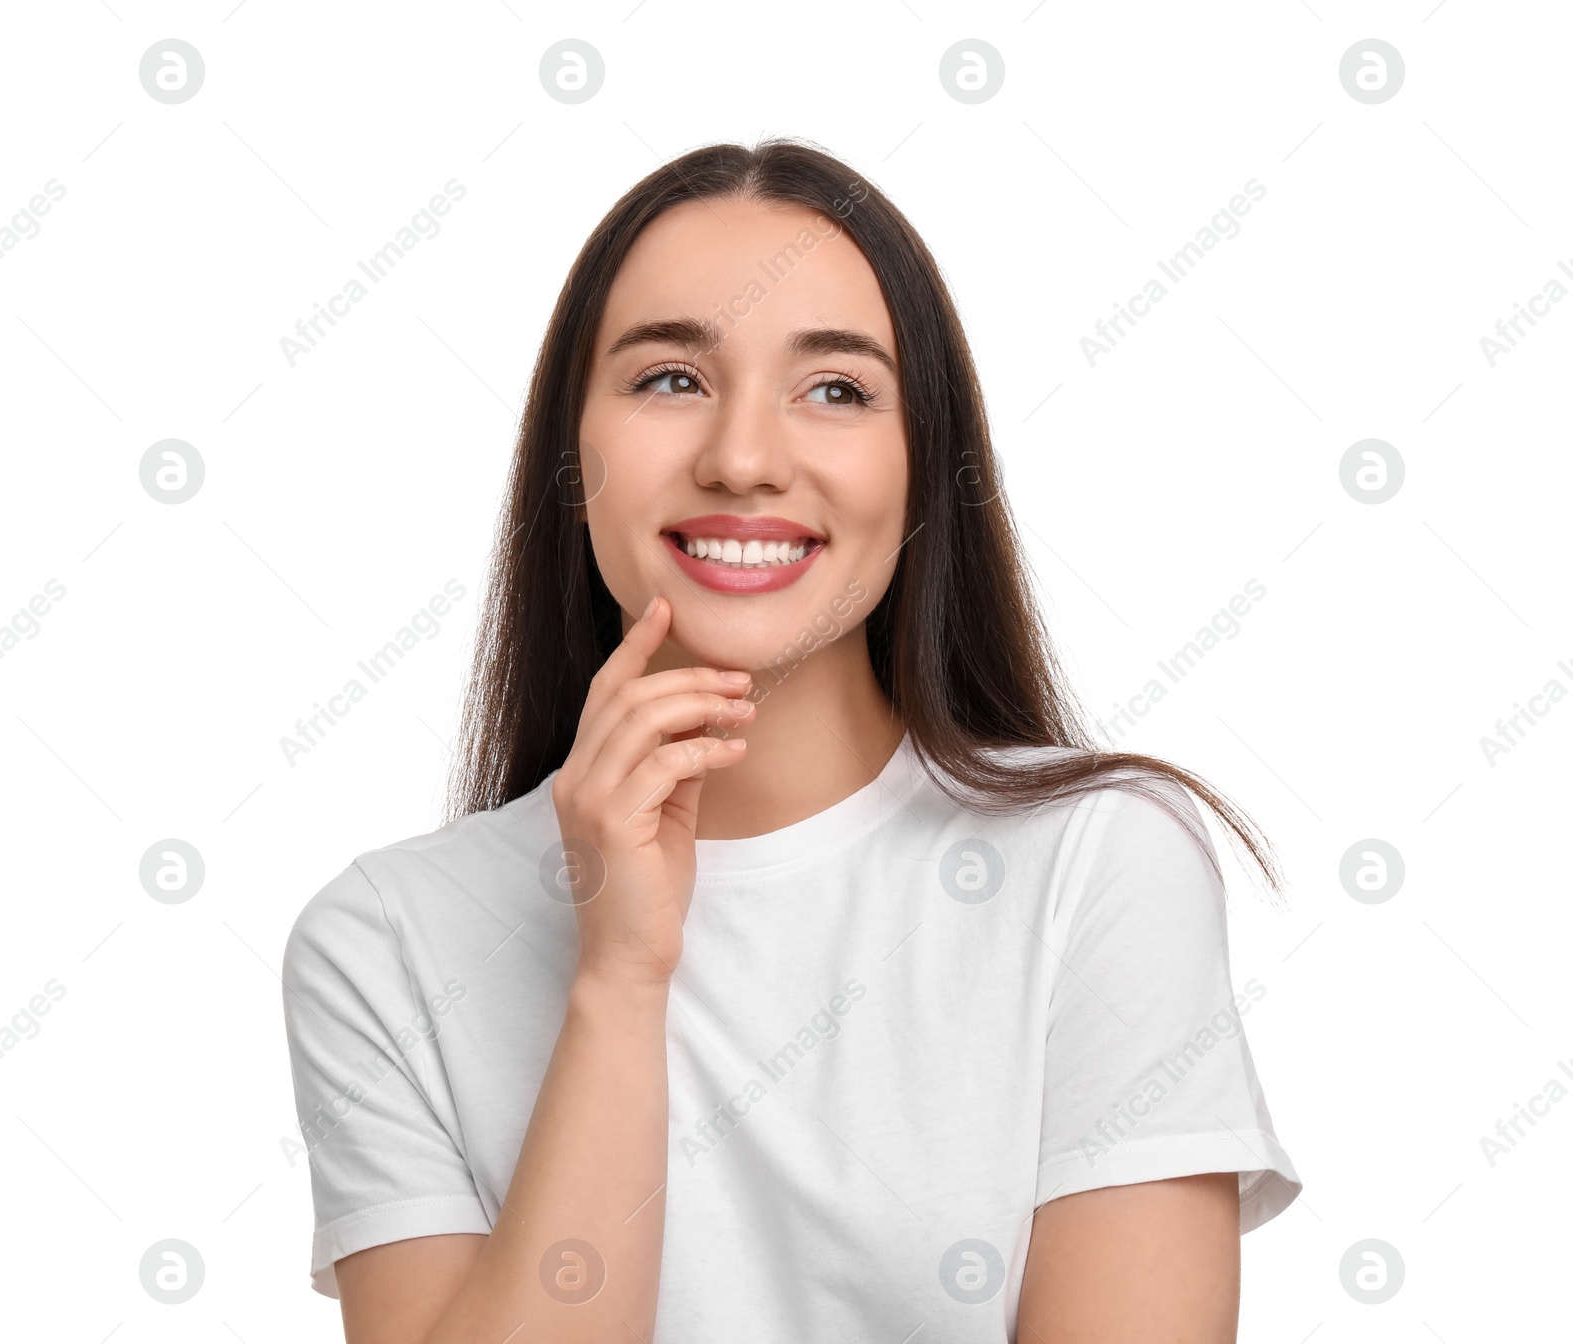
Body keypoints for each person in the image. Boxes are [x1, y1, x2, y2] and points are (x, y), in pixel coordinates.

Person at [282, 137, 1301, 1343]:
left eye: (836, 390)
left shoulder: (1095, 867)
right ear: (572, 458)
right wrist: (617, 980)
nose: (743, 460)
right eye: (669, 379)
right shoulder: (384, 945)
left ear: (924, 470)